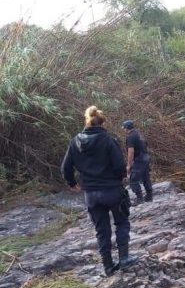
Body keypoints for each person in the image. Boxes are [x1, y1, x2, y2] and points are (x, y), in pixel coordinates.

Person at [61, 106, 137, 276]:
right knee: (121, 222)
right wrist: (122, 177)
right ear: (102, 122)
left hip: (91, 194)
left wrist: (72, 183)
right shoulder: (109, 140)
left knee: (101, 230)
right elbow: (119, 166)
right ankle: (124, 259)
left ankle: (108, 267)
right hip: (112, 191)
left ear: (86, 121)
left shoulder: (75, 142)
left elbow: (65, 168)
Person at [121, 120, 153, 204]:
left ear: (126, 128)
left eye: (124, 128)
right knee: (146, 177)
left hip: (139, 159)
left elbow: (131, 151)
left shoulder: (130, 137)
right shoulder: (139, 134)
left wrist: (129, 165)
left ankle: (140, 199)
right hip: (146, 157)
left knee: (133, 179)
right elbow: (146, 145)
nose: (124, 130)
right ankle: (149, 196)